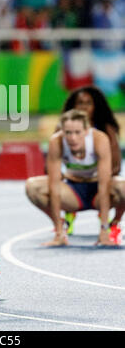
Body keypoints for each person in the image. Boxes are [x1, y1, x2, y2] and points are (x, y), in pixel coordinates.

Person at [25, 109, 125, 247]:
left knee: (123, 186)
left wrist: (104, 229)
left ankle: (114, 224)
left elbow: (104, 184)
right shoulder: (57, 141)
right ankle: (60, 225)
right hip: (73, 192)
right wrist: (58, 233)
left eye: (77, 132)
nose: (72, 138)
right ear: (62, 131)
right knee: (32, 186)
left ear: (86, 130)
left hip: (98, 192)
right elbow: (54, 185)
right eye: (68, 133)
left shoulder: (99, 139)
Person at [61, 86, 124, 239]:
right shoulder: (64, 129)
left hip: (100, 182)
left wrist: (98, 176)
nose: (83, 107)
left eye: (88, 103)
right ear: (73, 106)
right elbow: (50, 166)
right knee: (46, 184)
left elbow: (115, 166)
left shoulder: (106, 129)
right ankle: (64, 220)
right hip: (74, 184)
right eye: (79, 103)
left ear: (95, 106)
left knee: (120, 186)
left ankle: (114, 223)